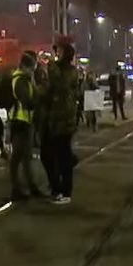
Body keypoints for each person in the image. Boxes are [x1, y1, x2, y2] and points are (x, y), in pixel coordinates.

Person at [42, 39, 80, 205]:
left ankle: (65, 191)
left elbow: (61, 84)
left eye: (59, 51)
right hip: (53, 119)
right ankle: (56, 188)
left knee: (62, 157)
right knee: (49, 155)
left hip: (64, 120)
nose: (56, 54)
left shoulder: (69, 71)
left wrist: (51, 65)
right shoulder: (57, 69)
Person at [7, 51, 45, 201]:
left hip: (25, 121)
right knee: (19, 157)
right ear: (25, 66)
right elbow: (27, 101)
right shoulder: (20, 80)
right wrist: (38, 98)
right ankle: (19, 188)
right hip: (20, 122)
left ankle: (27, 186)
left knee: (23, 157)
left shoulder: (26, 78)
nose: (33, 70)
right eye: (32, 67)